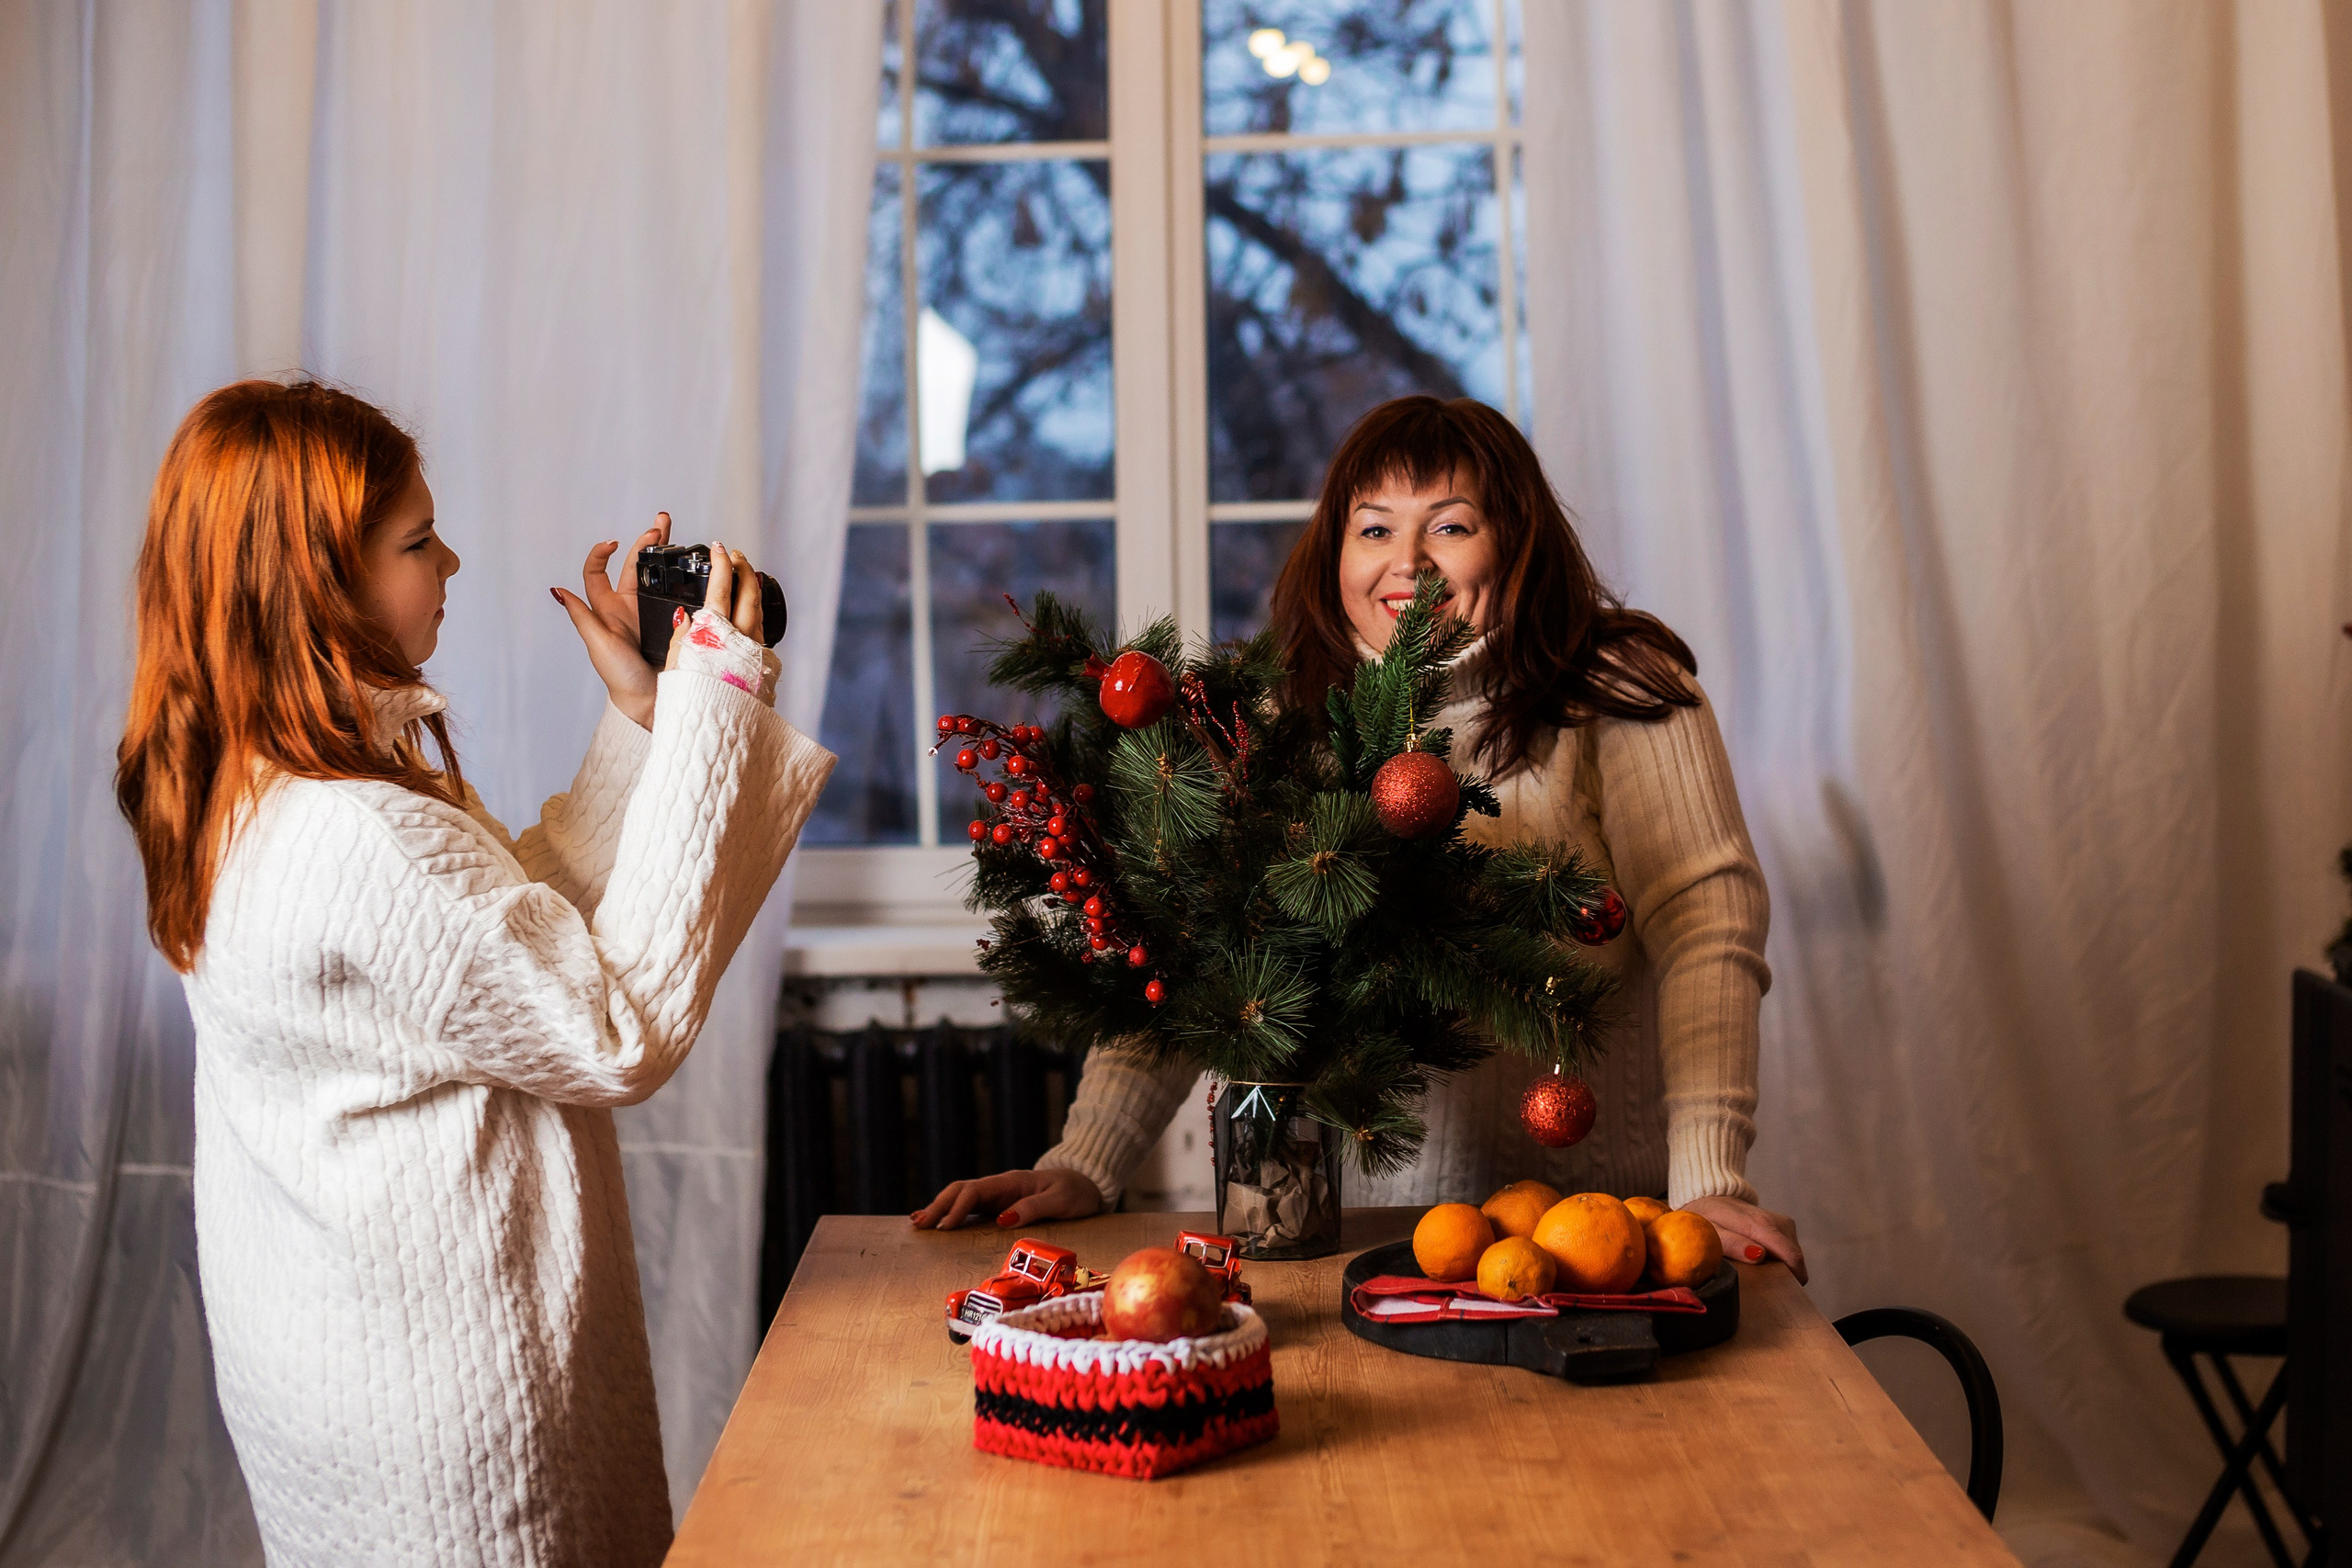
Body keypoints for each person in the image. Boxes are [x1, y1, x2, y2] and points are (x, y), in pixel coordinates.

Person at [114, 380, 834, 1566]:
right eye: (414, 540)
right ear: (314, 582)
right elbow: (609, 1025)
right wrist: (718, 690)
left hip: (349, 1371)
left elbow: (507, 951)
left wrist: (645, 712)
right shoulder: (357, 828)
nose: (451, 557)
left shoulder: (258, 788)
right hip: (453, 1424)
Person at [912, 394, 1804, 1280]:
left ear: (1518, 540)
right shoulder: (1275, 719)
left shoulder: (1614, 691)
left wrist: (1707, 1180)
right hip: (1350, 1249)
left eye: (1449, 527)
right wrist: (1084, 1162)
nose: (1406, 561)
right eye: (1373, 530)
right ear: (1334, 550)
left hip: (1588, 1245)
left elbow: (1708, 931)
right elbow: (1192, 966)